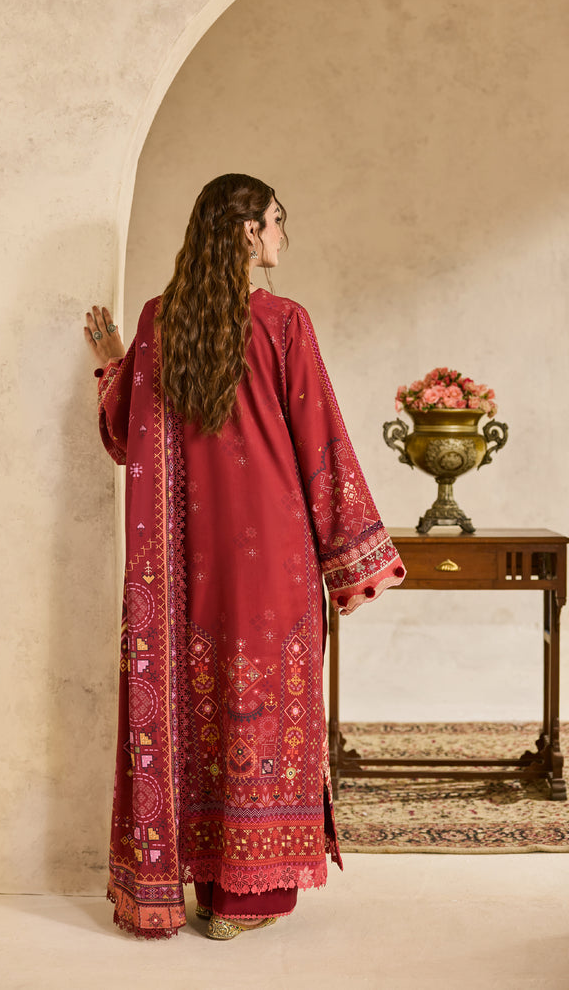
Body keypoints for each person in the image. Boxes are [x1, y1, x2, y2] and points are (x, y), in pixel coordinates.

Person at [84, 173, 405, 940]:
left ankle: (201, 885)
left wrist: (114, 364)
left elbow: (125, 435)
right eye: (277, 220)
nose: (284, 235)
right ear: (248, 232)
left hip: (186, 570)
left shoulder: (160, 323)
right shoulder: (285, 322)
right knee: (262, 713)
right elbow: (320, 441)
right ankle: (245, 902)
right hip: (275, 565)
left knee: (199, 714)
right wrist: (355, 558)